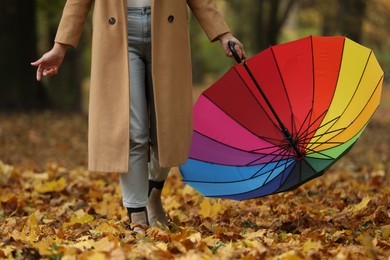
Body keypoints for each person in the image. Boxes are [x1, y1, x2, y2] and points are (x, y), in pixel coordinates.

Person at [31, 0, 246, 231]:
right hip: (119, 33)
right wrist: (60, 45)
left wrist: (223, 34)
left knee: (166, 130)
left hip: (168, 32)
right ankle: (137, 215)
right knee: (134, 131)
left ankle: (153, 194)